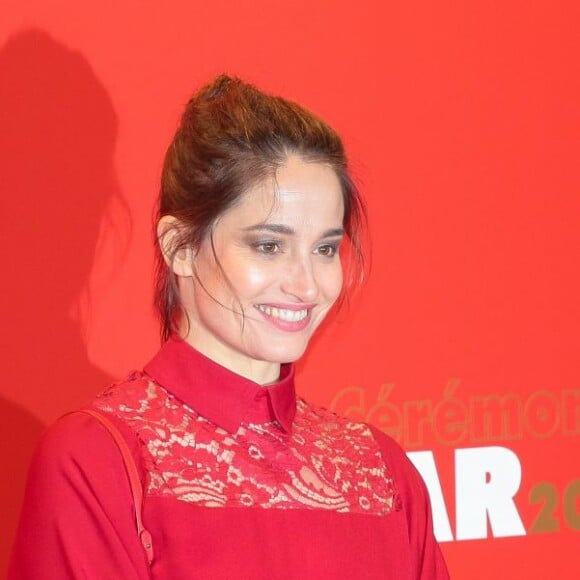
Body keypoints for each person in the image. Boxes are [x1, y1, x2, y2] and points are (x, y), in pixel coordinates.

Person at [9, 75, 450, 579]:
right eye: (269, 245)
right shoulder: (99, 460)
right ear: (179, 246)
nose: (307, 286)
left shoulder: (381, 471)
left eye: (325, 249)